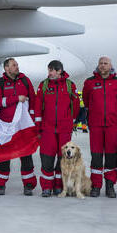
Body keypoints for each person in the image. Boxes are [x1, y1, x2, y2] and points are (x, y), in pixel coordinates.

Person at [0, 58, 37, 195]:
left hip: (23, 126)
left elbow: (33, 101)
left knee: (26, 155)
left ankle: (29, 185)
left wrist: (33, 121)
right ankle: (0, 185)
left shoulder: (25, 80)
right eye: (14, 65)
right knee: (4, 156)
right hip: (7, 126)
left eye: (17, 65)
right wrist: (17, 98)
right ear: (6, 68)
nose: (17, 67)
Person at [35, 60, 80, 197]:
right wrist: (38, 127)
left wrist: (71, 122)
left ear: (59, 71)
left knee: (63, 159)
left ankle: (59, 187)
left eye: (52, 70)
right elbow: (38, 106)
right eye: (48, 70)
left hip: (64, 129)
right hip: (47, 129)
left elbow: (76, 104)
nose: (49, 73)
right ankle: (46, 188)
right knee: (47, 158)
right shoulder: (44, 85)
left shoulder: (69, 85)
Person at [82, 56, 117, 198]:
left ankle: (110, 185)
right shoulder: (90, 82)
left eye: (105, 63)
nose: (102, 65)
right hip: (96, 125)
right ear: (98, 65)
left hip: (112, 125)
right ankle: (96, 186)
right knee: (96, 157)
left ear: (110, 65)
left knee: (111, 157)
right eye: (100, 63)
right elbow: (87, 101)